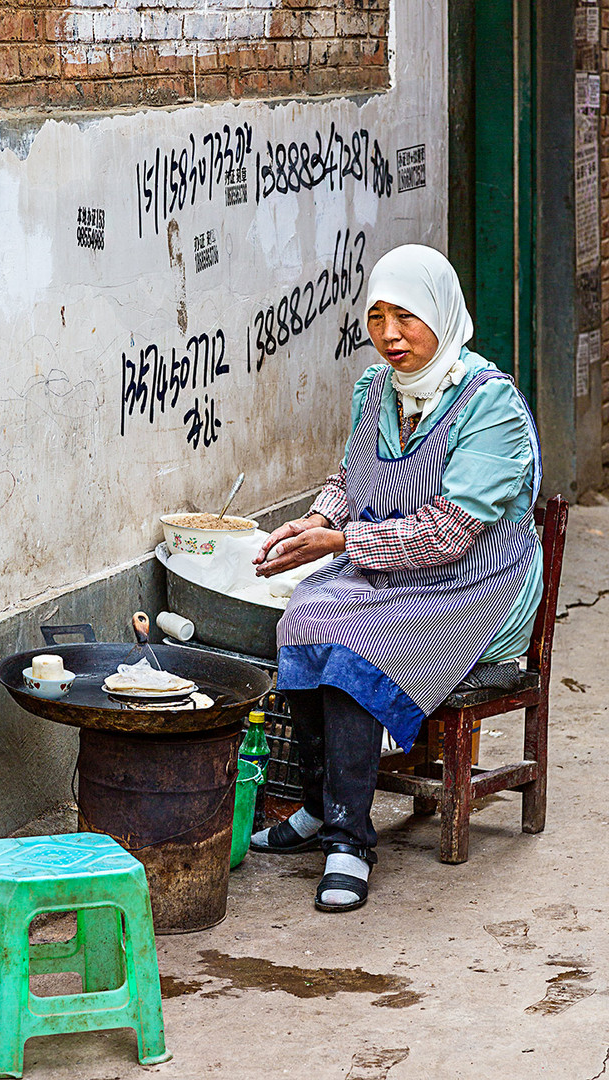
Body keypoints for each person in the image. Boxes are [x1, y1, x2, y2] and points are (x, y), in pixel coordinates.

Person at [250, 244, 543, 913]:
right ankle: (324, 807)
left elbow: (448, 533)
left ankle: (351, 841)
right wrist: (315, 523)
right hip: (392, 565)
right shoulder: (375, 389)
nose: (389, 335)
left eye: (406, 317)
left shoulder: (488, 406)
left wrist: (343, 540)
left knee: (358, 643)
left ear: (442, 314)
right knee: (302, 616)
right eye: (377, 317)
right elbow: (349, 482)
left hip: (477, 584)